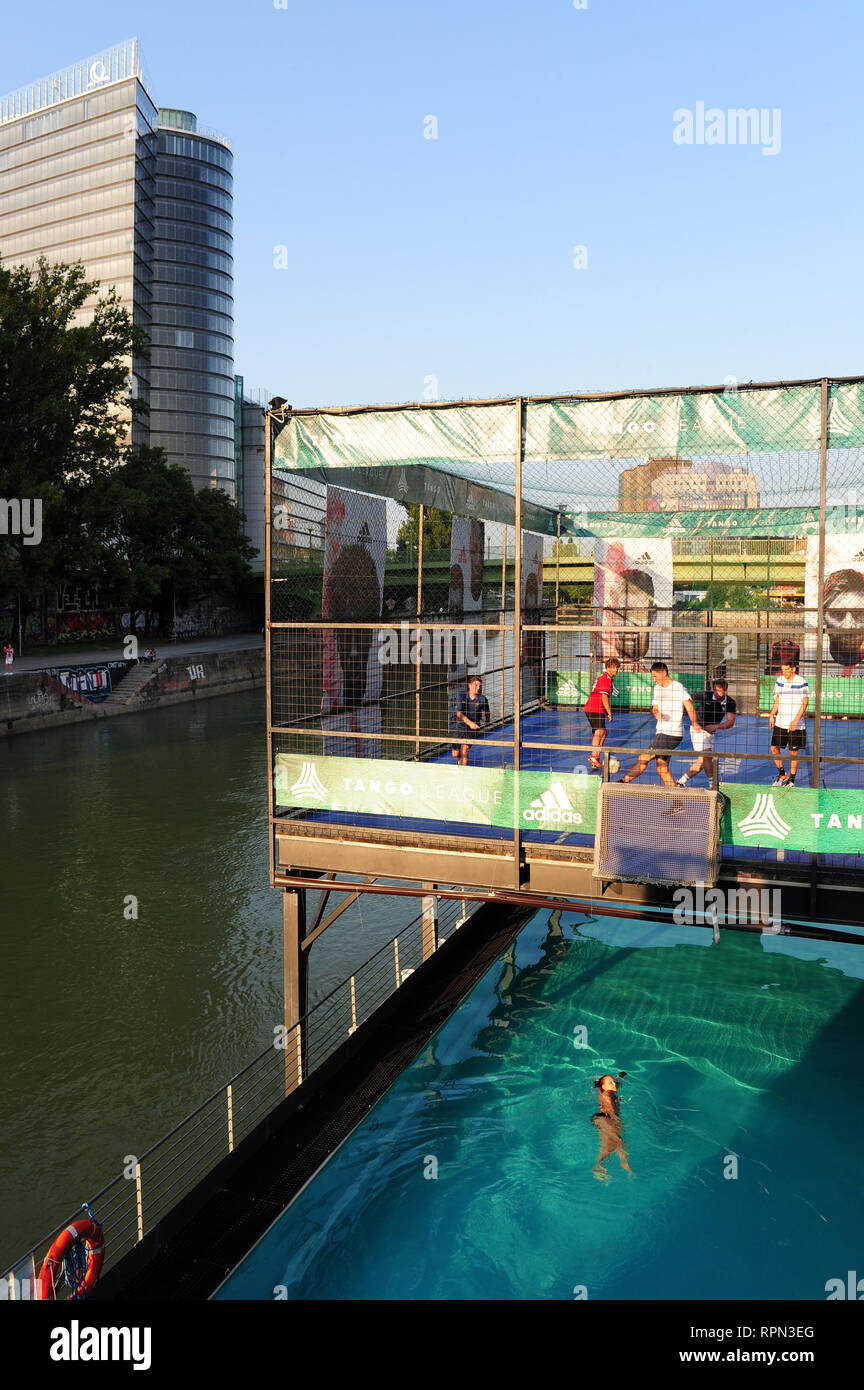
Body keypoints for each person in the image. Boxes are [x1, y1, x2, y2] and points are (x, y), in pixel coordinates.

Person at [619, 661, 701, 788]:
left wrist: (694, 723)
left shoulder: (677, 687)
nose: (654, 680)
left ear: (664, 673)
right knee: (661, 768)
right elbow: (654, 708)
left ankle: (623, 782)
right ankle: (677, 802)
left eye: (655, 676)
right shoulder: (657, 689)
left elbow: (689, 706)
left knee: (644, 757)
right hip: (661, 732)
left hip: (672, 733)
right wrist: (656, 713)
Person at [676, 676, 737, 787]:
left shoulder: (730, 702)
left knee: (701, 762)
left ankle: (681, 782)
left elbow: (730, 722)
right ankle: (713, 784)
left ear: (725, 690)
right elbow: (688, 700)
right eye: (715, 690)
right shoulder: (705, 695)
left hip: (711, 732)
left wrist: (715, 727)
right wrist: (694, 721)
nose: (716, 693)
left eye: (719, 690)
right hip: (698, 729)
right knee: (707, 755)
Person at [769, 660, 809, 786]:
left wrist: (795, 721)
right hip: (781, 722)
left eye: (786, 669)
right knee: (774, 748)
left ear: (793, 669)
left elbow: (805, 703)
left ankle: (792, 780)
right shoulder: (780, 681)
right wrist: (772, 714)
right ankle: (782, 775)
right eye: (783, 670)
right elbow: (777, 699)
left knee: (793, 752)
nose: (784, 672)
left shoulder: (801, 682)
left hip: (796, 725)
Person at [591, 1073, 632, 1182]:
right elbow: (610, 1108)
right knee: (618, 1140)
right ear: (603, 1087)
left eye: (614, 1082)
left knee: (610, 1145)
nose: (614, 1084)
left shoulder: (610, 1089)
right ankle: (625, 1164)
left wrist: (620, 1077)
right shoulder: (607, 1094)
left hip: (601, 1119)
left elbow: (617, 1084)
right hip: (605, 1118)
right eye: (610, 1083)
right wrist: (617, 1121)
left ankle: (599, 1166)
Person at [584, 657, 620, 769]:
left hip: (596, 708)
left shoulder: (607, 678)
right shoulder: (606, 679)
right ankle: (594, 756)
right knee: (599, 732)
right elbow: (604, 697)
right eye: (614, 668)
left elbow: (605, 697)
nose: (616, 670)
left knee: (603, 733)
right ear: (608, 668)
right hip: (594, 708)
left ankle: (596, 757)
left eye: (617, 668)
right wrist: (609, 712)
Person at [451, 674, 490, 766]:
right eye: (476, 685)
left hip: (473, 730)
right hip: (461, 727)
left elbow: (487, 712)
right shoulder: (462, 697)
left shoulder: (482, 699)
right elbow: (459, 713)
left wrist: (487, 720)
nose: (478, 688)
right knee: (455, 753)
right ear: (470, 685)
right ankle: (459, 760)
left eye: (479, 686)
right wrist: (469, 723)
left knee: (465, 750)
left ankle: (463, 772)